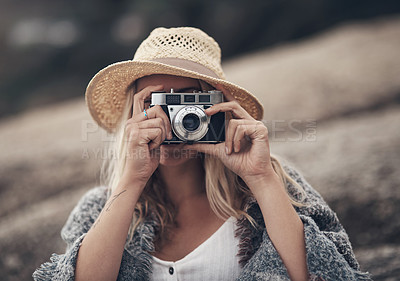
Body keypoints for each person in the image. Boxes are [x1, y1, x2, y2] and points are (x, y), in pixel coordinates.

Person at [33, 27, 370, 281]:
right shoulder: (99, 207)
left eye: (187, 103)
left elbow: (323, 274)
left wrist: (261, 179)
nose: (172, 120)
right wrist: (132, 180)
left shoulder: (274, 187)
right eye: (156, 104)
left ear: (217, 106)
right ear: (131, 115)